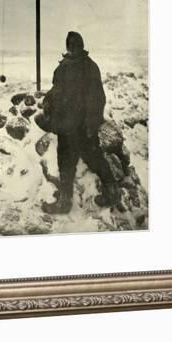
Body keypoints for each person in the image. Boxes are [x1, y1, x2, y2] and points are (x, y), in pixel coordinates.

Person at [40, 31, 122, 214]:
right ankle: (65, 201)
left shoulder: (88, 67)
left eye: (76, 44)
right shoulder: (64, 67)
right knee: (67, 163)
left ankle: (111, 192)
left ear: (81, 46)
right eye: (71, 44)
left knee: (92, 159)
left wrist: (92, 124)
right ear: (68, 46)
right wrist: (48, 100)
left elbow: (97, 98)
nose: (73, 47)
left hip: (82, 127)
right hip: (67, 127)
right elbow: (57, 90)